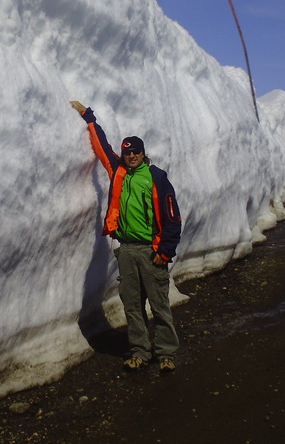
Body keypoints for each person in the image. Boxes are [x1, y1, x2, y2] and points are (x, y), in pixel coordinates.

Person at [70, 101, 182, 372]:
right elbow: (102, 148)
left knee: (159, 306)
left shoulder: (156, 178)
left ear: (144, 154)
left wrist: (165, 250)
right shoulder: (118, 172)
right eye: (127, 153)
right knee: (132, 307)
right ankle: (140, 352)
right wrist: (88, 116)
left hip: (151, 251)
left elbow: (172, 217)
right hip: (127, 250)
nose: (131, 156)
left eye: (136, 152)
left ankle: (166, 354)